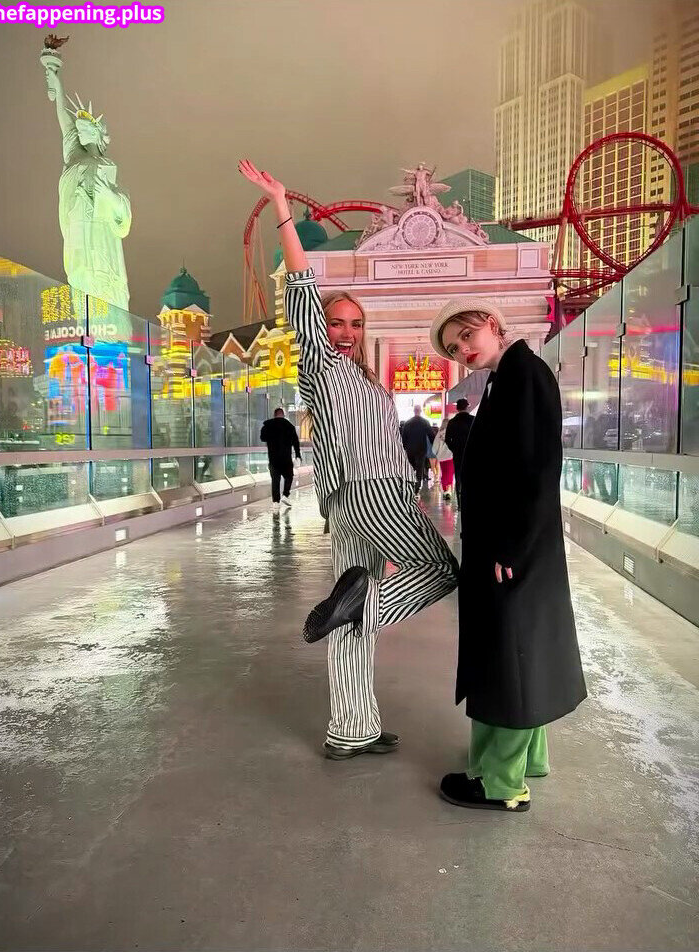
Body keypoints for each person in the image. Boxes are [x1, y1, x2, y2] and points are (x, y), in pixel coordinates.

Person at [239, 159, 458, 760]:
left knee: (349, 618)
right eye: (335, 322)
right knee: (440, 569)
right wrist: (282, 206)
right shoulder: (322, 365)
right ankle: (364, 602)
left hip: (345, 504)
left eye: (355, 324)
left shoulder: (361, 377)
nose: (345, 331)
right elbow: (301, 288)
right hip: (374, 491)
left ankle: (350, 728)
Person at [429, 296, 586, 813]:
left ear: (493, 325)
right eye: (454, 348)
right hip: (513, 545)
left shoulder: (524, 375)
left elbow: (535, 467)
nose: (463, 350)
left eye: (466, 336)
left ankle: (501, 784)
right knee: (520, 652)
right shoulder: (508, 376)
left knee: (508, 654)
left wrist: (511, 546)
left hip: (512, 548)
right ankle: (527, 758)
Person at [260, 407, 301, 513]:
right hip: (286, 458)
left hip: (273, 459)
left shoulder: (267, 426)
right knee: (289, 476)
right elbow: (296, 442)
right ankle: (285, 495)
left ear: (274, 415)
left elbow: (262, 438)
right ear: (283, 415)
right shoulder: (289, 426)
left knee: (275, 480)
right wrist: (298, 456)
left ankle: (276, 502)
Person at [444, 399, 473, 504]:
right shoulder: (473, 420)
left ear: (457, 408)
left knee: (458, 476)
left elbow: (447, 439)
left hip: (458, 454)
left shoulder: (452, 422)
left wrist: (454, 449)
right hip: (471, 453)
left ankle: (460, 502)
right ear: (467, 407)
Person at [401, 406, 434, 497]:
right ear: (420, 411)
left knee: (410, 468)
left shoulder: (408, 423)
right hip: (421, 449)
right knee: (420, 468)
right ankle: (417, 488)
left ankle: (410, 484)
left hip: (410, 449)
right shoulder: (425, 422)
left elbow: (403, 437)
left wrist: (404, 447)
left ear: (414, 411)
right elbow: (431, 435)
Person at [432, 417, 455, 501]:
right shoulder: (453, 432)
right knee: (450, 474)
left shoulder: (439, 434)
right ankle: (448, 491)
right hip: (450, 456)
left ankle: (446, 490)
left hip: (442, 457)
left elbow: (434, 447)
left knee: (444, 473)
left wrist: (436, 453)